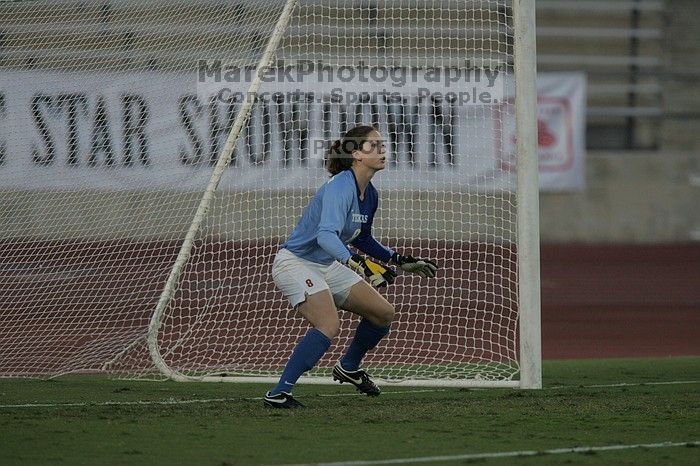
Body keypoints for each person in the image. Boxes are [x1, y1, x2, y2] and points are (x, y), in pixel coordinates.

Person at [263, 125, 438, 409]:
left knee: (383, 313)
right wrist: (356, 262)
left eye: (382, 145)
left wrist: (398, 259)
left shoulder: (370, 194)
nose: (383, 150)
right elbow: (325, 235)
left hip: (327, 264)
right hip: (295, 263)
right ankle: (280, 392)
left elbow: (363, 238)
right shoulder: (341, 185)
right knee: (328, 324)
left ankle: (349, 367)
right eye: (374, 146)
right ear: (356, 154)